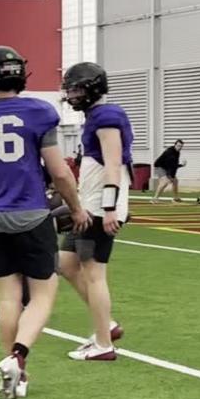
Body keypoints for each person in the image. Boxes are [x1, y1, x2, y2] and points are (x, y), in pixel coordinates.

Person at [0, 46, 88, 399]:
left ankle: (15, 369)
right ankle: (18, 356)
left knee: (8, 296)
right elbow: (59, 171)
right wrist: (75, 208)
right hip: (30, 212)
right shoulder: (39, 112)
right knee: (43, 294)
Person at [59, 62, 132, 361]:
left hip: (100, 206)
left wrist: (110, 207)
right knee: (66, 263)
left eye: (77, 89)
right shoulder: (95, 116)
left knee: (94, 273)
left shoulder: (106, 116)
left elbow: (113, 164)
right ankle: (108, 325)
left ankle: (103, 343)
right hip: (90, 203)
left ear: (92, 88)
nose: (72, 95)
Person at [151, 139, 185, 204]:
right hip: (159, 166)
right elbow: (172, 165)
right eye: (178, 146)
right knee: (165, 182)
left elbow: (173, 166)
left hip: (166, 167)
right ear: (175, 145)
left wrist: (172, 177)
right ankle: (154, 198)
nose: (179, 148)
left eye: (181, 146)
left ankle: (176, 198)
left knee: (175, 181)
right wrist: (181, 165)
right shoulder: (170, 152)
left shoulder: (177, 153)